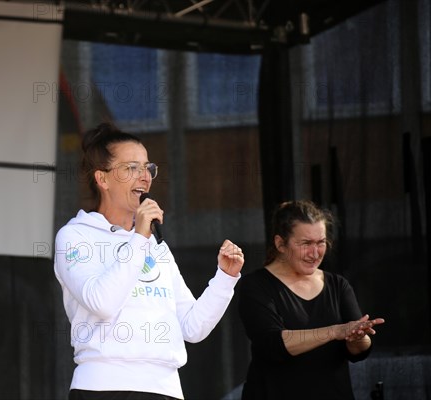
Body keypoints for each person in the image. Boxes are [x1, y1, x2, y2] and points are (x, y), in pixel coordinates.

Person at [54, 122, 245, 400]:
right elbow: (102, 302)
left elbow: (192, 327)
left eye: (147, 168)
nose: (144, 177)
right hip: (103, 387)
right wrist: (140, 238)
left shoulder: (155, 245)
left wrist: (225, 279)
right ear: (102, 179)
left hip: (164, 388)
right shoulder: (74, 236)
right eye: (131, 168)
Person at [237, 200, 385, 400]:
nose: (315, 253)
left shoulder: (338, 285)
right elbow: (272, 344)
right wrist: (335, 331)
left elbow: (358, 353)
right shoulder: (254, 285)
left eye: (321, 242)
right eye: (306, 243)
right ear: (280, 243)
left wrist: (358, 337)